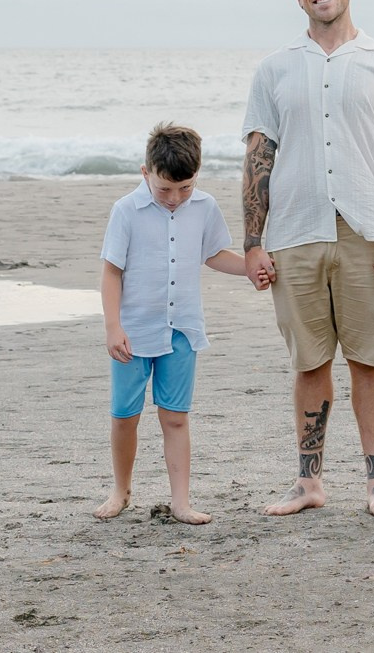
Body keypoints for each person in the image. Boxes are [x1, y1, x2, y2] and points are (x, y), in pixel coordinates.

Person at [241, 0, 374, 517]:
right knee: (309, 362)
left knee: (368, 358)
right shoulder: (273, 69)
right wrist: (252, 242)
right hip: (294, 231)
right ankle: (309, 482)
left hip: (365, 230)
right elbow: (257, 156)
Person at [94, 124, 248, 524]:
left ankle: (181, 502)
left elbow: (215, 254)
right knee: (125, 416)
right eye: (165, 190)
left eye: (186, 188)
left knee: (175, 416)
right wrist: (113, 326)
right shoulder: (126, 210)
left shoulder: (205, 206)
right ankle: (121, 490)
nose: (176, 198)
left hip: (182, 329)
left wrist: (252, 268)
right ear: (146, 172)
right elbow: (111, 273)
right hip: (134, 332)